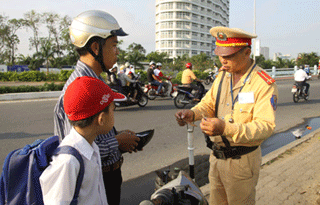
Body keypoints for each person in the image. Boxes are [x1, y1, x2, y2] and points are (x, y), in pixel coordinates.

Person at [175, 26, 278, 205]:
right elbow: (208, 103)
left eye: (228, 56)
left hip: (242, 162)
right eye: (220, 55)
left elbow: (266, 126)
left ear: (247, 53)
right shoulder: (223, 75)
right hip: (216, 159)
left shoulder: (263, 83)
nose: (222, 60)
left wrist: (225, 128)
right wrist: (192, 114)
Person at [53, 10, 140, 205]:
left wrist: (120, 138)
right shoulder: (78, 89)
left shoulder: (94, 80)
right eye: (114, 45)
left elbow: (95, 132)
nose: (117, 51)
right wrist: (117, 142)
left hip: (105, 177)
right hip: (92, 183)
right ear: (95, 47)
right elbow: (75, 150)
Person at [41, 76, 127, 204]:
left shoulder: (91, 147)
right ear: (101, 119)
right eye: (112, 110)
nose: (114, 114)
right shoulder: (67, 162)